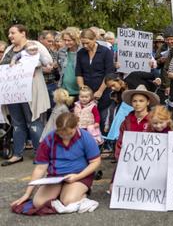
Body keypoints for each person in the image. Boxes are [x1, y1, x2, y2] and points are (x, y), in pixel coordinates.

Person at [11, 113, 101, 214]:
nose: (65, 137)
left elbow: (95, 161)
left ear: (76, 126)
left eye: (69, 134)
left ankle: (79, 192)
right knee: (38, 203)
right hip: (56, 177)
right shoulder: (49, 139)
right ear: (56, 129)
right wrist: (27, 194)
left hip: (79, 175)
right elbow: (41, 168)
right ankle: (63, 192)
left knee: (68, 201)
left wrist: (77, 176)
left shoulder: (85, 137)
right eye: (61, 134)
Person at [1, 24, 51, 167]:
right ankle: (17, 154)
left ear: (23, 33)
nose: (10, 36)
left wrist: (36, 63)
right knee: (17, 123)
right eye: (9, 33)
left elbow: (48, 62)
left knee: (33, 121)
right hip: (13, 92)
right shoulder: (9, 50)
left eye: (13, 33)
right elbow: (3, 65)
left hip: (30, 90)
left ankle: (40, 153)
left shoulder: (35, 45)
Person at [75, 29, 115, 136]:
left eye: (87, 43)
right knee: (87, 120)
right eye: (82, 43)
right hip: (87, 92)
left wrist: (100, 91)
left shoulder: (105, 52)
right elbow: (78, 72)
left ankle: (103, 142)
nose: (85, 46)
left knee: (101, 118)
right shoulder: (80, 53)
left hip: (103, 90)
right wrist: (82, 88)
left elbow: (109, 73)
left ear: (94, 39)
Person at [57, 27, 81, 99]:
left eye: (69, 40)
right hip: (64, 90)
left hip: (79, 91)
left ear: (76, 40)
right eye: (65, 40)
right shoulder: (61, 51)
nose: (66, 42)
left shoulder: (82, 52)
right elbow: (60, 68)